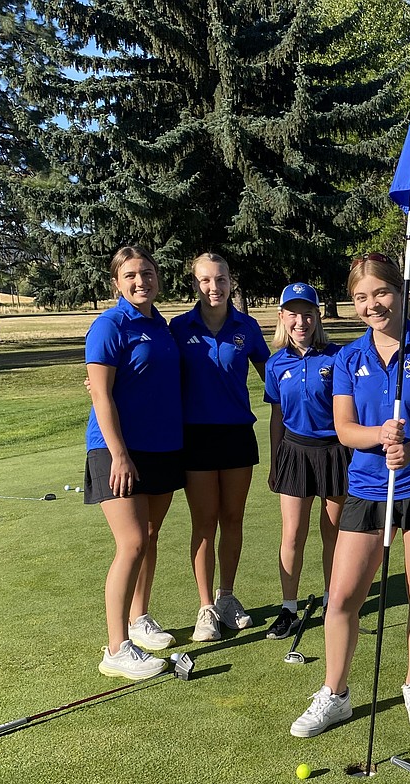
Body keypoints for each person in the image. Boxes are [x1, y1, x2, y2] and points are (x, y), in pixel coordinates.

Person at [290, 253, 410, 738]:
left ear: (401, 290)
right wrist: (379, 436)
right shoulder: (349, 358)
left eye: (381, 293)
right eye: (362, 297)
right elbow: (345, 430)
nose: (373, 305)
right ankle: (336, 693)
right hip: (368, 488)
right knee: (343, 596)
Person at [84, 246, 185, 680]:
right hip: (116, 450)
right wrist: (120, 455)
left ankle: (138, 620)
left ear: (158, 277)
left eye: (147, 272)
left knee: (150, 533)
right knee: (132, 544)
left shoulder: (161, 326)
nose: (140, 281)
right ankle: (115, 648)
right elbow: (100, 395)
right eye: (130, 275)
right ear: (116, 283)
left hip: (161, 447)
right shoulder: (109, 325)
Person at [169, 253, 270, 641]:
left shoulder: (247, 327)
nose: (215, 287)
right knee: (204, 523)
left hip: (236, 435)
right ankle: (205, 608)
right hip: (195, 437)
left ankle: (226, 597)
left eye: (222, 279)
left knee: (233, 519)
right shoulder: (178, 328)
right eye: (206, 280)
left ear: (231, 282)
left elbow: (273, 376)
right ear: (195, 284)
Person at [262, 282, 350, 639]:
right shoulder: (275, 363)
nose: (301, 321)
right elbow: (276, 416)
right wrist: (274, 461)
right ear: (282, 317)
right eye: (293, 314)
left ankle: (333, 600)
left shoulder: (337, 356)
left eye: (307, 313)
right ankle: (288, 607)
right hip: (295, 453)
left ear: (317, 315)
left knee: (334, 533)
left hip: (334, 452)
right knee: (293, 534)